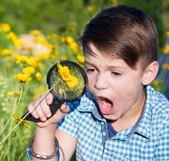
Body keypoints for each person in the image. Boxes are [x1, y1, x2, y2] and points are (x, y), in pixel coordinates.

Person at [26, 5, 169, 161]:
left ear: (148, 74)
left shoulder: (163, 123)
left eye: (115, 73)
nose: (99, 83)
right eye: (92, 69)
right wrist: (46, 127)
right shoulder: (81, 105)